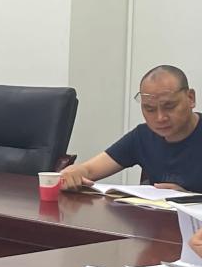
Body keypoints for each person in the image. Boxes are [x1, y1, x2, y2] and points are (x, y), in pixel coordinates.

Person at [60, 65, 202, 192]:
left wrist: (189, 198)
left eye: (169, 106)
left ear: (190, 98)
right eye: (150, 109)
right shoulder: (143, 136)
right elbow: (89, 170)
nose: (160, 117)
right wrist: (74, 172)